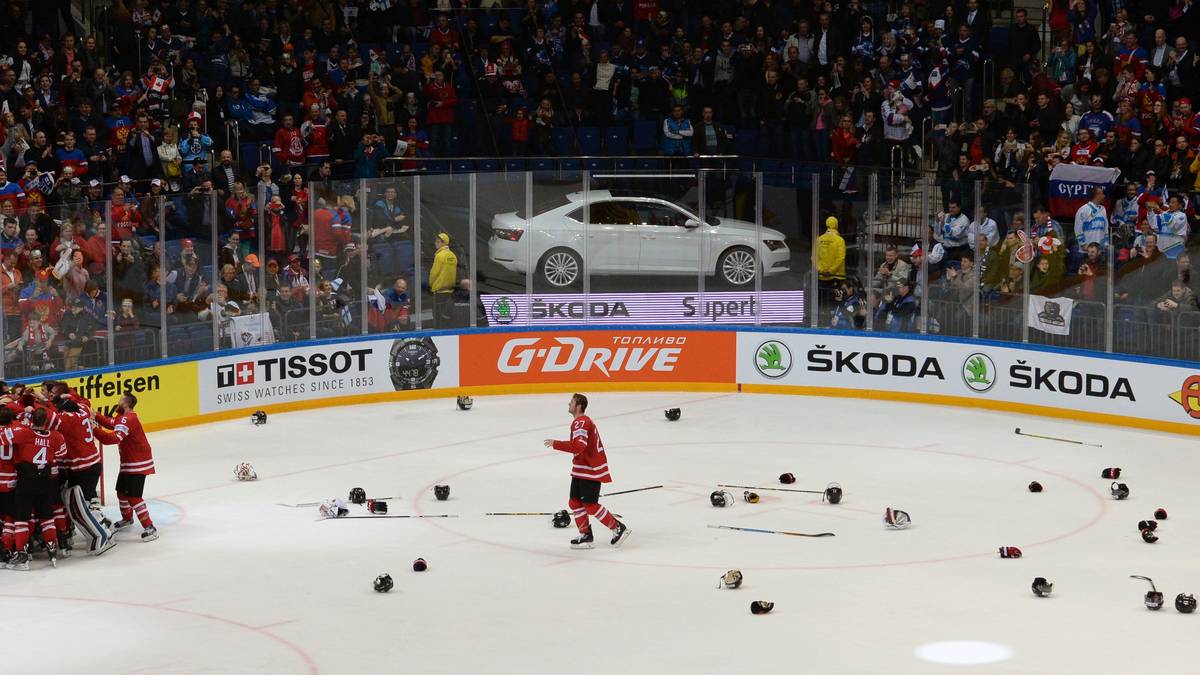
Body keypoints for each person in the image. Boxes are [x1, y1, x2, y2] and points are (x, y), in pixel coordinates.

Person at [543, 393, 630, 549]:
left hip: (590, 469)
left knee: (590, 505)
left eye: (571, 402)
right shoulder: (581, 422)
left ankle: (617, 527)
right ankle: (585, 534)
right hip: (581, 469)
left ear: (578, 406)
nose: (568, 404)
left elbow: (579, 446)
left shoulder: (581, 422)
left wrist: (556, 444)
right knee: (575, 502)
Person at [3, 407, 68, 570]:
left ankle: (22, 556)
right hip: (46, 479)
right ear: (46, 421)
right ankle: (53, 551)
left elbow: (3, 437)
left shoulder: (24, 433)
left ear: (32, 420)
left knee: (21, 518)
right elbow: (62, 454)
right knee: (46, 516)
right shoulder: (56, 436)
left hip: (26, 478)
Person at [93, 394, 158, 541]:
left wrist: (94, 430)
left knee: (134, 497)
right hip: (129, 462)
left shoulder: (128, 418)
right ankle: (127, 519)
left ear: (125, 403)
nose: (118, 401)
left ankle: (150, 528)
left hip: (137, 462)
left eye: (120, 400)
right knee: (122, 493)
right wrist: (95, 415)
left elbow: (113, 438)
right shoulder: (123, 417)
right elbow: (110, 423)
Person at [430, 232, 458, 328]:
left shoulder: (439, 256)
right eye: (436, 242)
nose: (436, 244)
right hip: (449, 290)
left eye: (438, 242)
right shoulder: (453, 255)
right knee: (447, 315)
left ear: (444, 243)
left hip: (439, 290)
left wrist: (431, 284)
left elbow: (434, 273)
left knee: (438, 317)